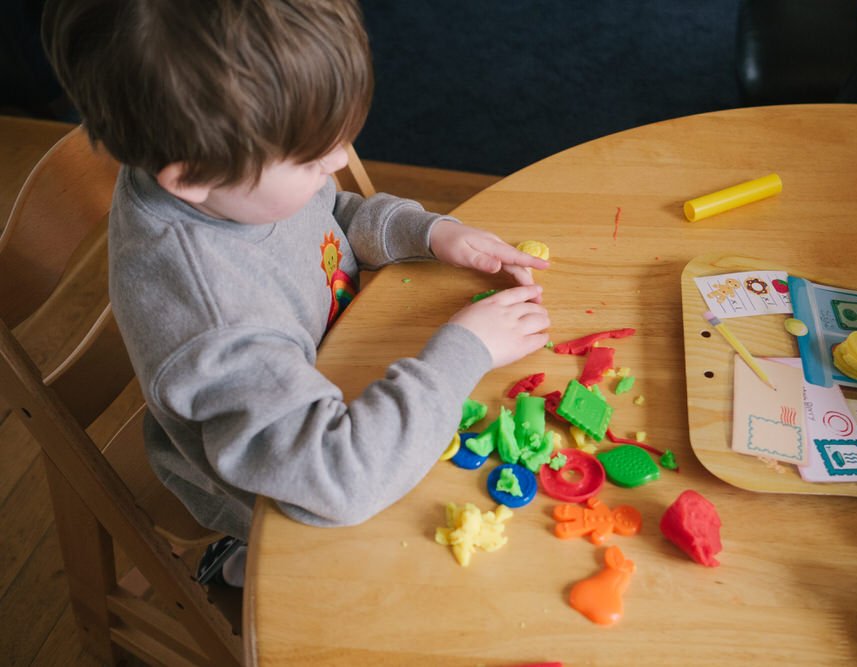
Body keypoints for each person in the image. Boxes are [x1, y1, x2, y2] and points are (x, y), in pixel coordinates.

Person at [42, 0, 550, 586]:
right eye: (311, 160)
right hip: (287, 482)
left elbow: (328, 215)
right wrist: (465, 350)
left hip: (327, 377)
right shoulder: (218, 325)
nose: (339, 160)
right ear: (190, 177)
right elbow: (340, 481)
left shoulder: (229, 175)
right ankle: (236, 559)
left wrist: (428, 233)